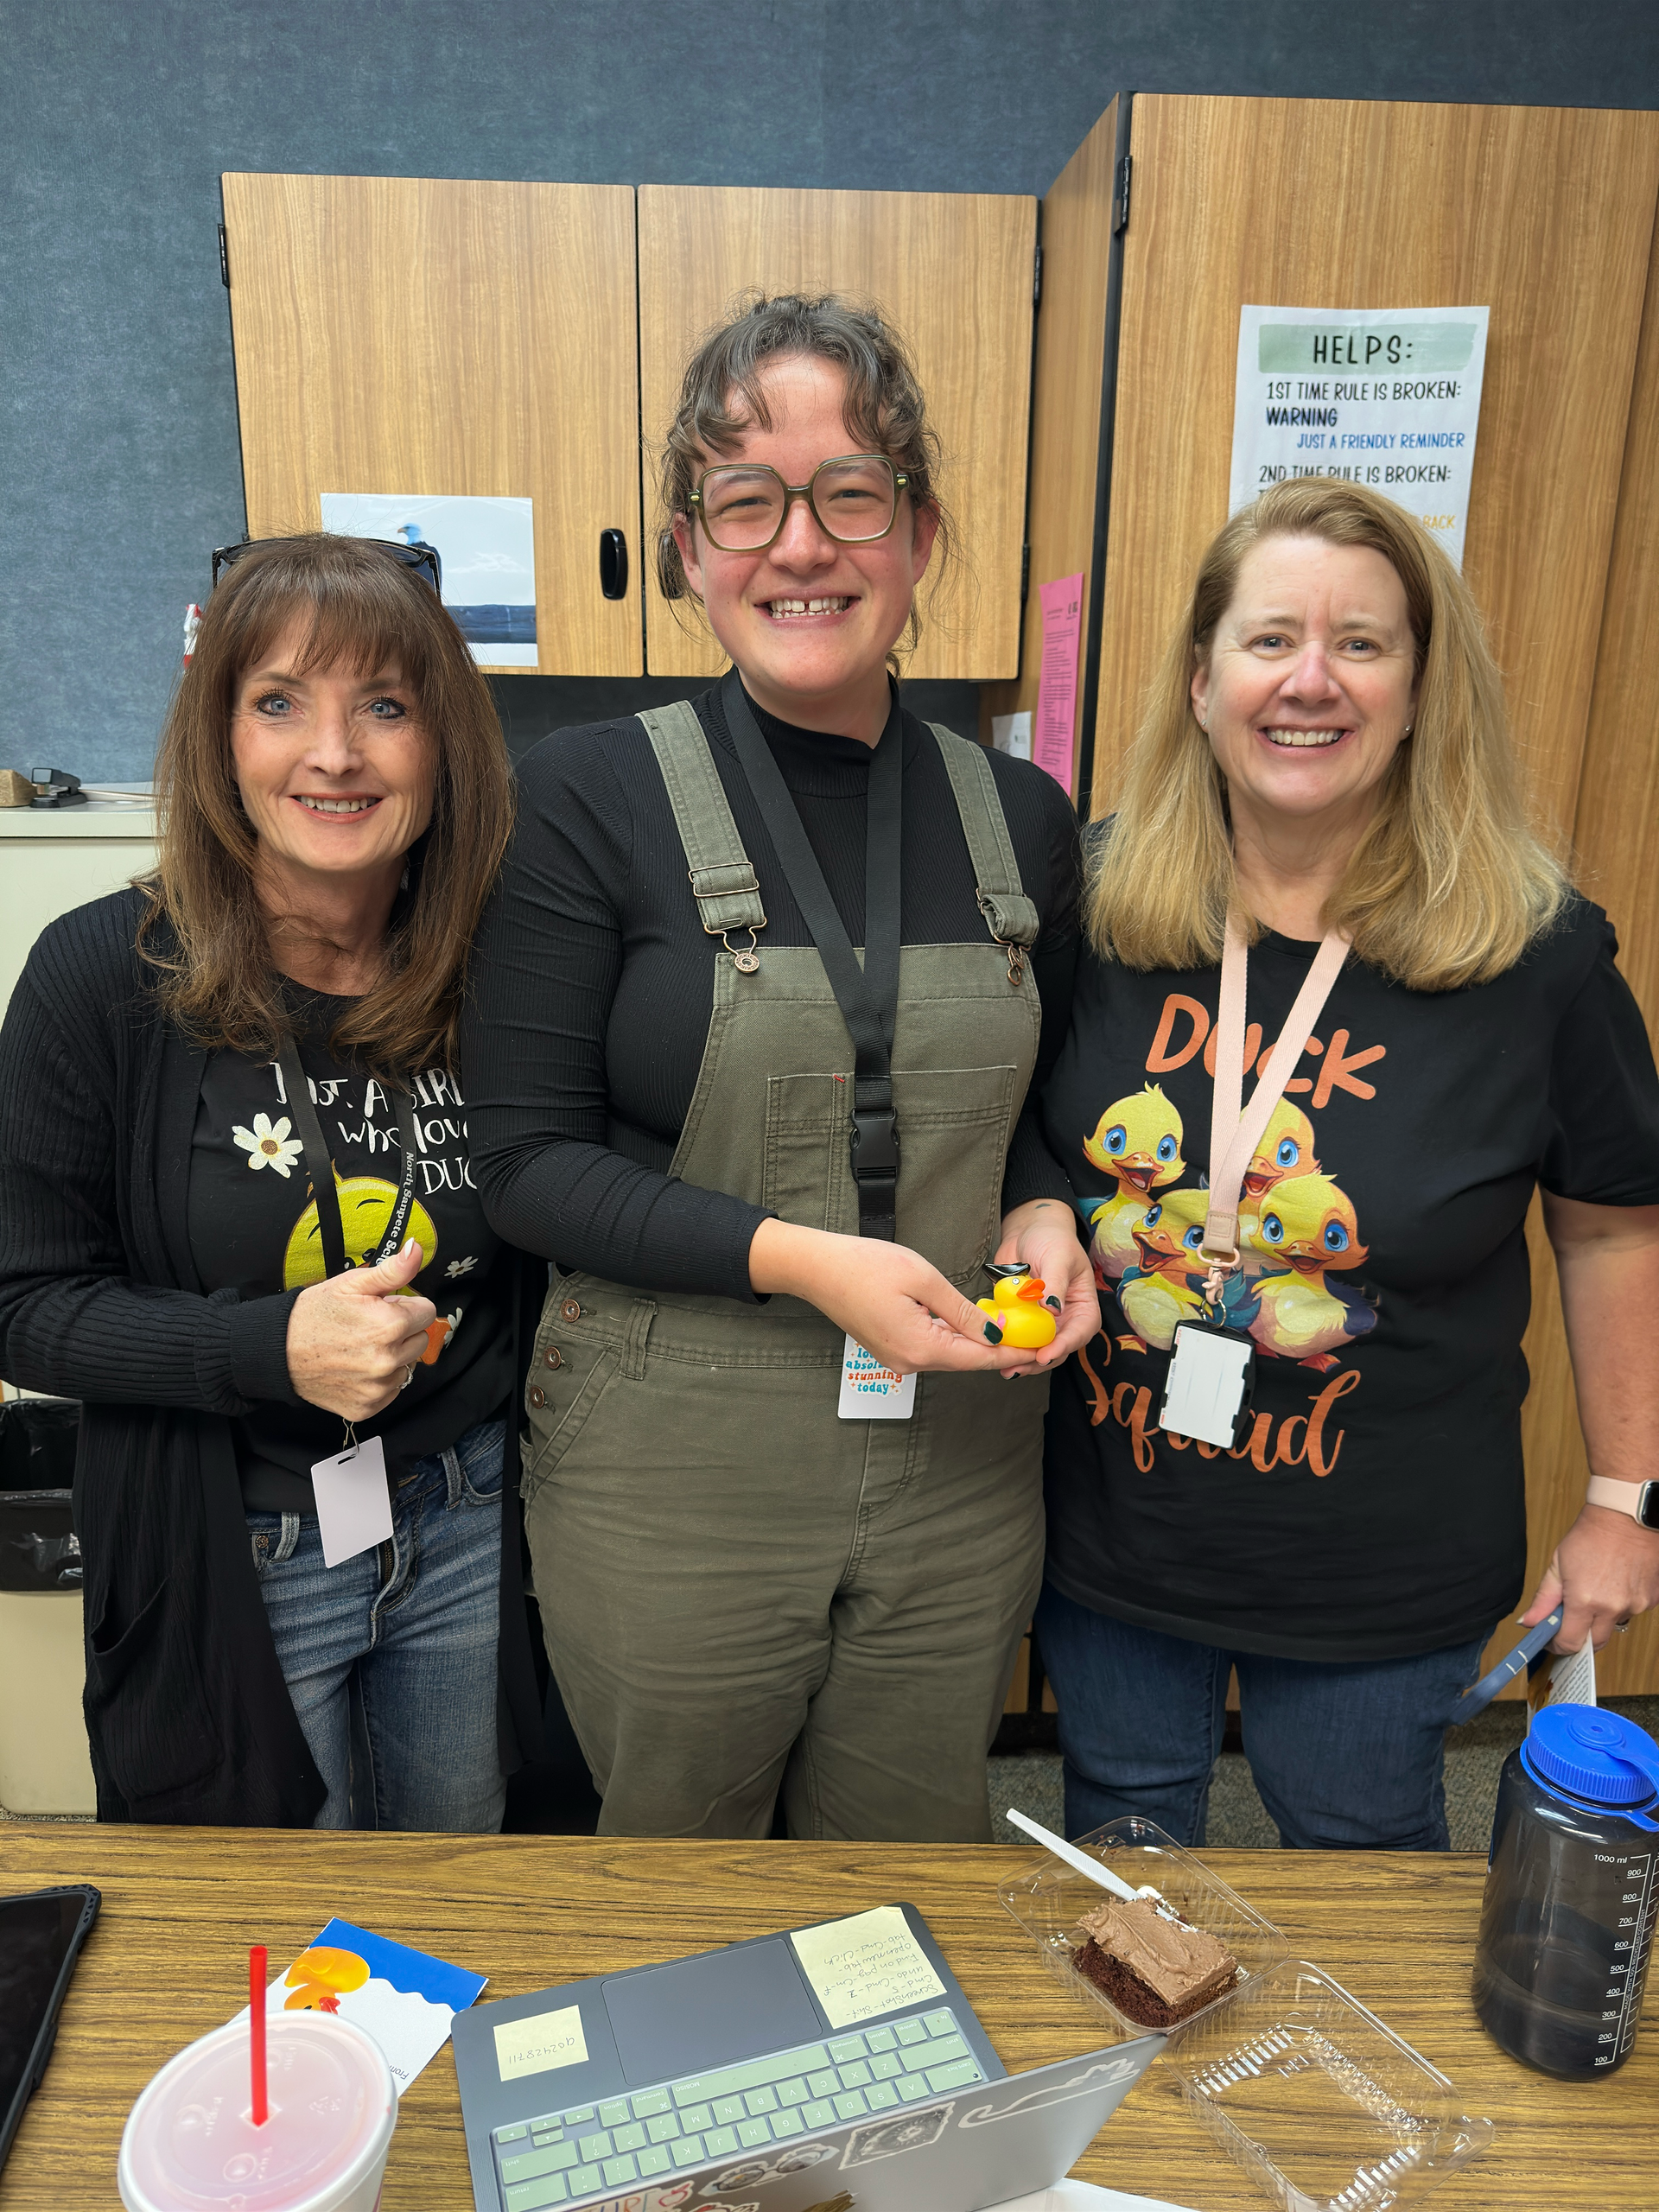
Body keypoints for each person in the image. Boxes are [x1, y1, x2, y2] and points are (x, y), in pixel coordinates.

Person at [462, 293, 1096, 1842]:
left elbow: (1034, 1118)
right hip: (676, 1459)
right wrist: (804, 1258)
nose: (798, 545)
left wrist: (1044, 1213)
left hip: (956, 1453)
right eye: (745, 501)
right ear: (688, 548)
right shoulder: (583, 798)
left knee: (901, 1876)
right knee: (681, 1881)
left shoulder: (1020, 818)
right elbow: (526, 1167)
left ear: (920, 532)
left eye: (849, 494)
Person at [1031, 477, 1659, 1850]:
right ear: (1201, 683)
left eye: (1361, 643)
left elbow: (1616, 1230)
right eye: (1269, 640)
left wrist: (1625, 1505)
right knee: (1120, 1879)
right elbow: (1033, 1128)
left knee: (1366, 1878)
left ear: (1423, 688)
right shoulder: (1099, 901)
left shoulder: (1537, 955)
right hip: (1117, 1535)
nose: (1309, 680)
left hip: (1383, 1569)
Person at [0, 534, 543, 1827]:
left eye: (387, 707)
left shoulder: (508, 964)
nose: (336, 754)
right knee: (285, 1944)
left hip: (471, 1522)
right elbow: (20, 1305)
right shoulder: (103, 975)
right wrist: (264, 1347)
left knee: (450, 1910)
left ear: (443, 745)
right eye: (280, 702)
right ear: (219, 737)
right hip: (239, 1544)